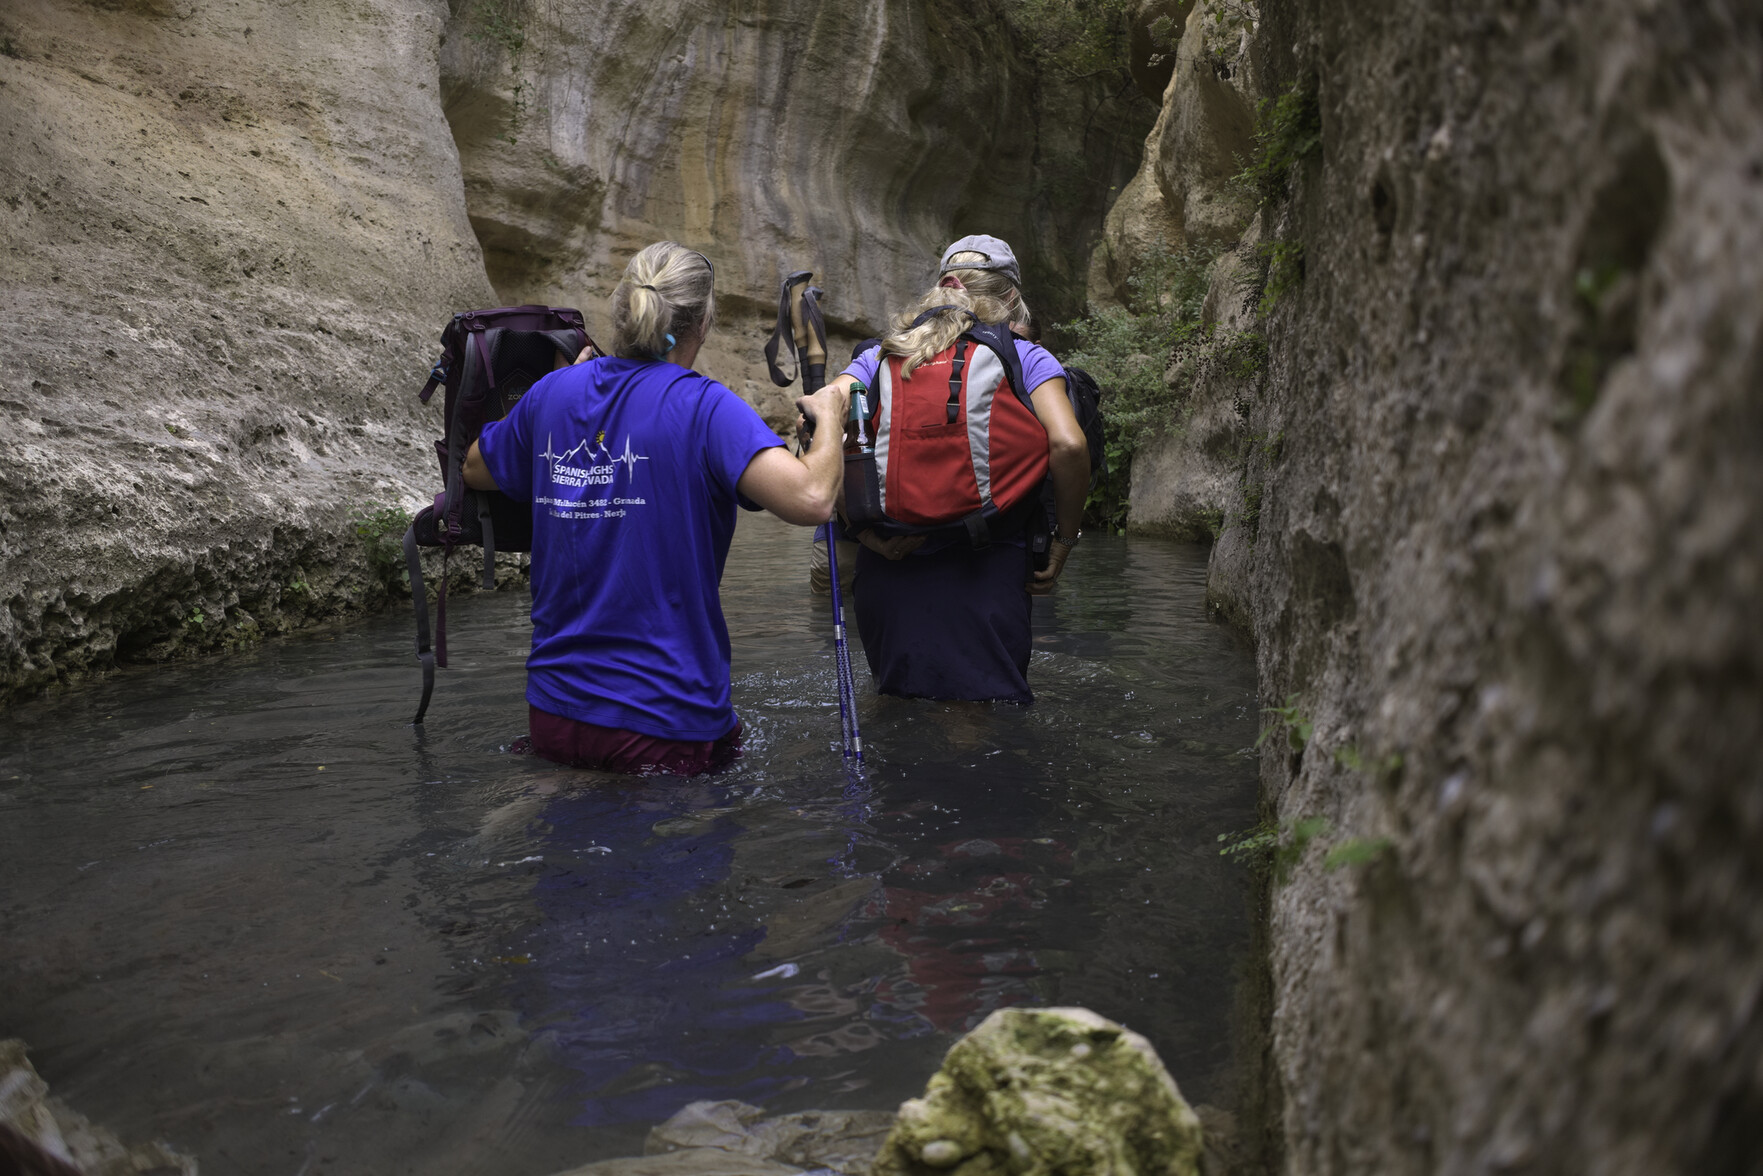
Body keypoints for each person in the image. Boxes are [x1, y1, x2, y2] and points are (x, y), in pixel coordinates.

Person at [462, 241, 848, 774]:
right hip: (664, 719)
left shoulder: (553, 393)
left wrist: (563, 390)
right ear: (703, 322)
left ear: (621, 307)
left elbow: (475, 467)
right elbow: (811, 498)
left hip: (555, 710)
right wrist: (831, 419)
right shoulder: (706, 407)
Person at [827, 234, 1090, 703]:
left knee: (895, 710)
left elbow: (819, 423)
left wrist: (862, 533)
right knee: (976, 723)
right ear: (1011, 297)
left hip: (890, 563)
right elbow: (1068, 446)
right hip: (985, 565)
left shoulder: (882, 354)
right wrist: (1064, 542)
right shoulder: (1025, 355)